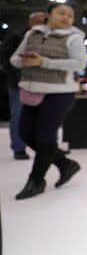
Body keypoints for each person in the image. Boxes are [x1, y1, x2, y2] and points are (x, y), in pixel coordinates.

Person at [10, 3, 86, 200]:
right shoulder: (32, 34)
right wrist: (24, 60)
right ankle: (64, 164)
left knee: (45, 137)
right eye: (61, 13)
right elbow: (14, 59)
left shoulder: (74, 38)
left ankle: (36, 180)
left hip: (60, 93)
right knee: (26, 134)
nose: (66, 17)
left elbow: (79, 63)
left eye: (70, 15)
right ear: (48, 15)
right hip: (32, 89)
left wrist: (43, 62)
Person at [1, 11, 46, 160]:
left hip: (43, 83)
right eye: (39, 20)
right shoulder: (16, 38)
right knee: (19, 115)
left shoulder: (47, 40)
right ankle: (19, 148)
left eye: (44, 20)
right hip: (20, 84)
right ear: (31, 22)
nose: (42, 23)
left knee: (46, 116)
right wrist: (19, 76)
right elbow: (7, 61)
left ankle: (48, 148)